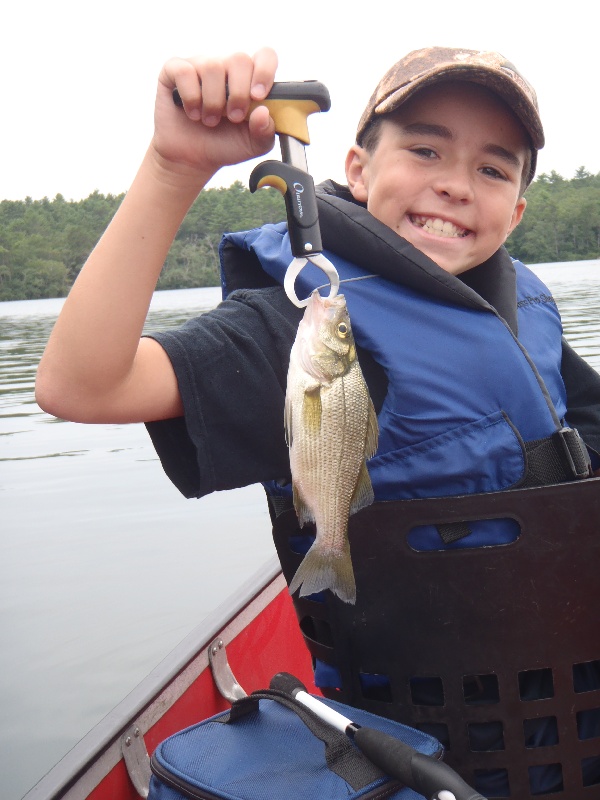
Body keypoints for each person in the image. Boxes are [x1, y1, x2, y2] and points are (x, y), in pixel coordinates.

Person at [36, 46, 600, 793]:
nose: (455, 184)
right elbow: (81, 387)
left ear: (518, 210)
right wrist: (175, 169)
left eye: (493, 169)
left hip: (573, 700)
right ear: (359, 172)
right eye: (426, 148)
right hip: (427, 737)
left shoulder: (518, 305)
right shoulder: (301, 325)